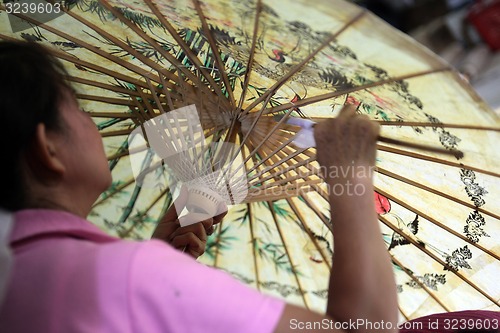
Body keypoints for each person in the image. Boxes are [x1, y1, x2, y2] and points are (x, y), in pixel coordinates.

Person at [0, 40, 398, 332]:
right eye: (81, 110)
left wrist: (158, 267)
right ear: (47, 149)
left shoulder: (16, 274)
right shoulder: (129, 276)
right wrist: (350, 175)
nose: (90, 124)